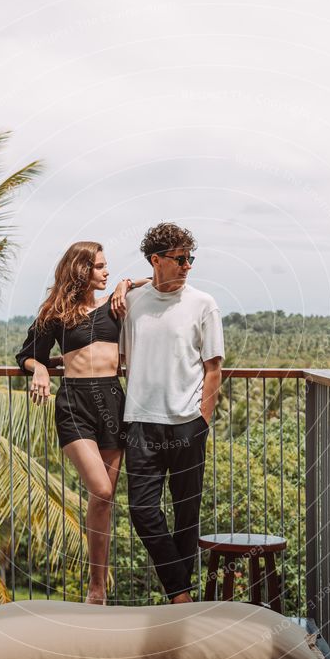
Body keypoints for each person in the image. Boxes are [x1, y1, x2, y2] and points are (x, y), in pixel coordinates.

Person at [15, 242, 150, 605]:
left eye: (108, 267)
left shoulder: (116, 305)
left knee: (102, 501)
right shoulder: (55, 312)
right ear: (81, 270)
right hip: (74, 402)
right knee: (102, 490)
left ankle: (97, 589)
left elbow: (156, 281)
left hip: (112, 400)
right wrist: (41, 368)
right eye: (100, 267)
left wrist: (124, 283)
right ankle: (95, 587)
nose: (106, 272)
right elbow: (26, 356)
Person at [116, 222, 224, 604]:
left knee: (186, 515)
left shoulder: (203, 303)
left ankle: (179, 598)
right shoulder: (131, 303)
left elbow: (214, 368)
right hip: (141, 424)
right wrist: (124, 285)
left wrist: (202, 421)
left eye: (190, 258)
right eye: (179, 259)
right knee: (143, 510)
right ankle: (181, 593)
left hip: (187, 426)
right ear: (156, 260)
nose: (187, 266)